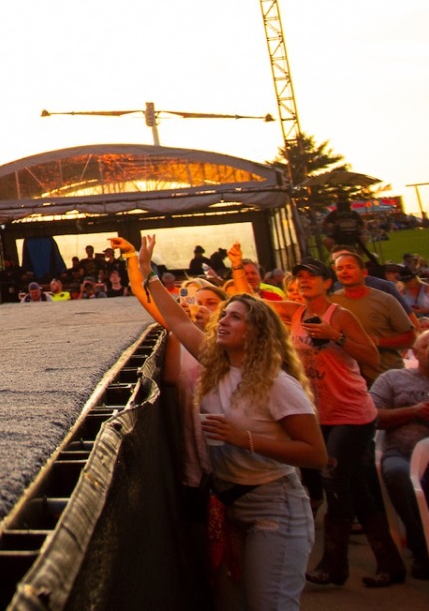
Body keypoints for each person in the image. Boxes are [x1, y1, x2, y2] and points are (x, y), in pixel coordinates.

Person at [128, 236, 325, 611]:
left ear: (256, 332)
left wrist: (244, 438)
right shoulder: (215, 364)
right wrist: (147, 270)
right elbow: (175, 319)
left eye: (236, 317)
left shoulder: (275, 383)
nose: (224, 321)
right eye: (225, 314)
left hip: (274, 505)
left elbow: (315, 454)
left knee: (269, 604)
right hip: (229, 501)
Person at [283, 259, 405, 588]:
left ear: (327, 283)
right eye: (300, 277)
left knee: (333, 478)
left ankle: (333, 563)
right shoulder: (294, 313)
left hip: (352, 413)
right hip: (321, 415)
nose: (304, 281)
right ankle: (390, 564)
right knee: (359, 490)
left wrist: (336, 336)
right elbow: (252, 302)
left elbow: (371, 358)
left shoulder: (341, 315)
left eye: (311, 276)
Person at [372, 330, 429, 580]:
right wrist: (414, 411)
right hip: (403, 453)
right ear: (415, 352)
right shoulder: (393, 378)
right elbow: (371, 416)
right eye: (427, 345)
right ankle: (423, 548)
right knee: (397, 474)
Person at [326, 250, 415, 383]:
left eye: (350, 267)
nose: (344, 272)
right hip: (350, 378)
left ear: (364, 273)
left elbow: (410, 338)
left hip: (386, 376)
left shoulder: (385, 300)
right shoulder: (331, 301)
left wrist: (377, 342)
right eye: (340, 268)